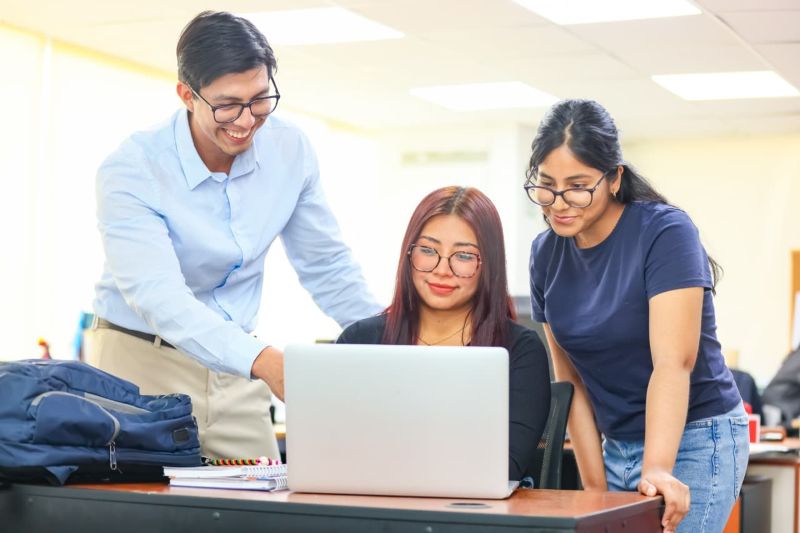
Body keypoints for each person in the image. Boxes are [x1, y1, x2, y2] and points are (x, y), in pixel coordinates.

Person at [90, 11, 381, 460]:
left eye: (260, 99)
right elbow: (159, 297)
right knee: (143, 513)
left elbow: (327, 266)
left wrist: (394, 341)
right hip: (141, 364)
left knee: (261, 507)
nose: (246, 120)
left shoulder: (290, 150)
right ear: (187, 95)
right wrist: (264, 360)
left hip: (237, 374)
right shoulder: (132, 168)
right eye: (227, 104)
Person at [525, 99, 748, 533]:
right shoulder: (545, 253)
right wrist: (594, 489)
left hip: (697, 437)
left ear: (614, 179)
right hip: (616, 443)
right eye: (546, 185)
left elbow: (673, 363)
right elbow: (569, 381)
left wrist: (658, 469)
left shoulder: (664, 233)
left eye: (578, 185)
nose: (559, 203)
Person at [337, 186, 551, 482]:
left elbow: (505, 467)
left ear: (487, 265)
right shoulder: (358, 341)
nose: (441, 269)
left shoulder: (519, 351)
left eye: (463, 256)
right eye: (427, 250)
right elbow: (335, 453)